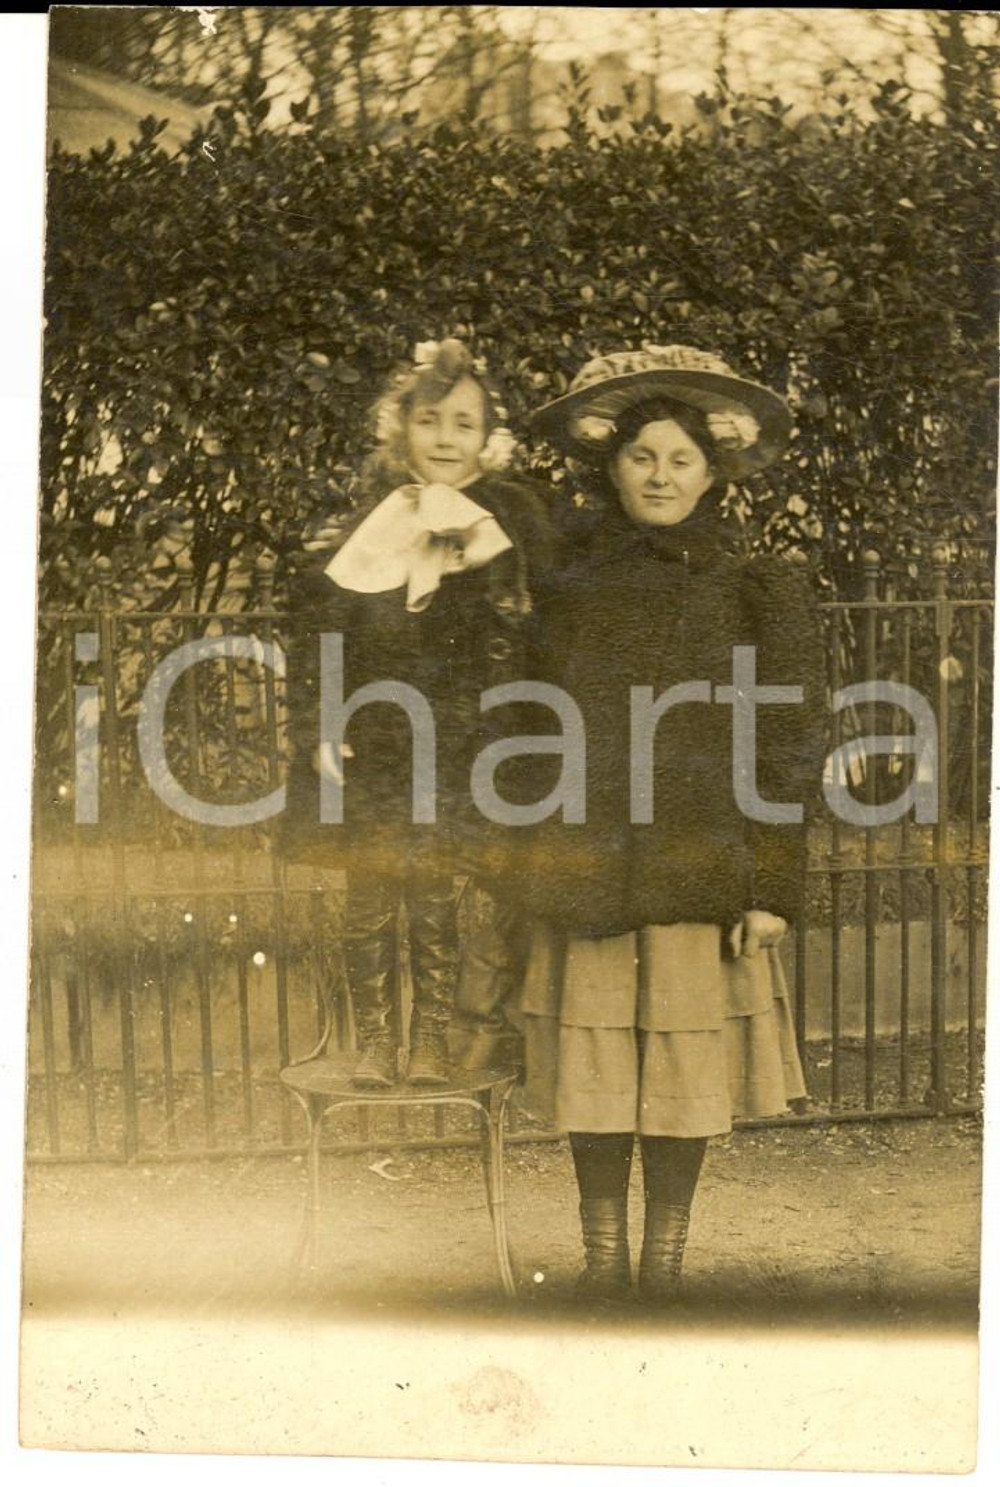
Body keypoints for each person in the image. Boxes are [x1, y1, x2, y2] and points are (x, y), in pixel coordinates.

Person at [509, 343, 826, 1301]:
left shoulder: (752, 583)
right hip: (588, 862)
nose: (660, 475)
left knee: (683, 1078)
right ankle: (604, 1260)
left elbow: (788, 737)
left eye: (681, 459)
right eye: (642, 456)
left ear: (711, 471)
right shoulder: (566, 579)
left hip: (700, 865)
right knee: (598, 1070)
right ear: (610, 466)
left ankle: (667, 1262)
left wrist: (772, 883)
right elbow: (525, 718)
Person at [283, 339, 556, 1089]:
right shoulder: (367, 526)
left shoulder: (509, 530)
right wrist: (319, 722)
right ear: (399, 428)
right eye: (429, 420)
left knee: (436, 894)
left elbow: (529, 636)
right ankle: (374, 1040)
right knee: (369, 896)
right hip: (376, 740)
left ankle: (432, 1039)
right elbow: (325, 636)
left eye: (462, 423)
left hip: (460, 741)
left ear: (487, 438)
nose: (444, 438)